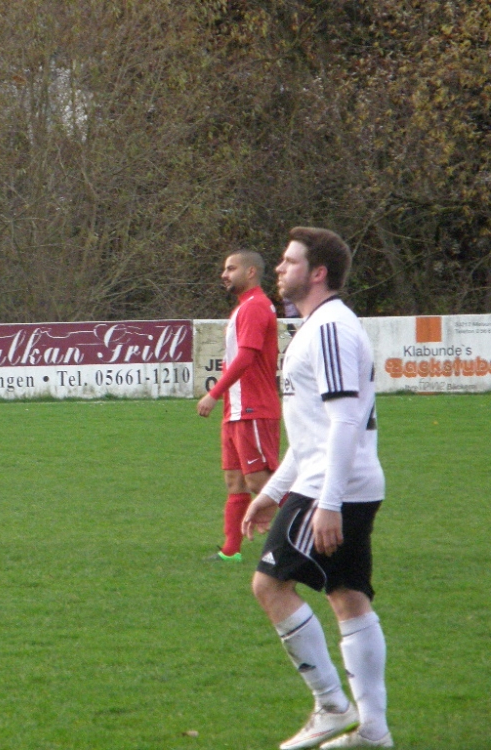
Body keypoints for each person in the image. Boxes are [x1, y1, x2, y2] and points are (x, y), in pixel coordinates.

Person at [241, 227, 391, 749]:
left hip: (334, 488)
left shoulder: (329, 327)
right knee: (348, 598)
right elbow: (312, 436)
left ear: (318, 272)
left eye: (290, 261)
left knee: (270, 585)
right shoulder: (318, 327)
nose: (280, 268)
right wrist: (272, 492)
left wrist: (328, 503)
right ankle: (373, 731)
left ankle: (331, 704)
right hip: (339, 483)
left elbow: (345, 421)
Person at [197, 250, 281, 562]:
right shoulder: (244, 307)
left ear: (250, 272)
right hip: (236, 410)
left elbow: (246, 357)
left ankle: (313, 530)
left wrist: (214, 393)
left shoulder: (256, 306)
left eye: (231, 268)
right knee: (235, 482)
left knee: (259, 480)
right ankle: (231, 551)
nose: (224, 274)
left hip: (253, 408)